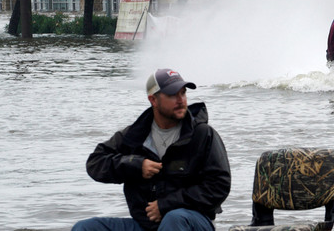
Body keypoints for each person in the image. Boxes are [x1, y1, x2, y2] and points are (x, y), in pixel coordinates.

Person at [72, 69, 231, 231]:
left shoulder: (203, 134)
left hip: (193, 222)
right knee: (85, 227)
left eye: (183, 93)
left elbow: (219, 186)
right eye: (172, 94)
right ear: (153, 100)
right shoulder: (133, 136)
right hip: (145, 225)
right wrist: (135, 165)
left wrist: (166, 205)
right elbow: (95, 163)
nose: (181, 100)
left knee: (174, 219)